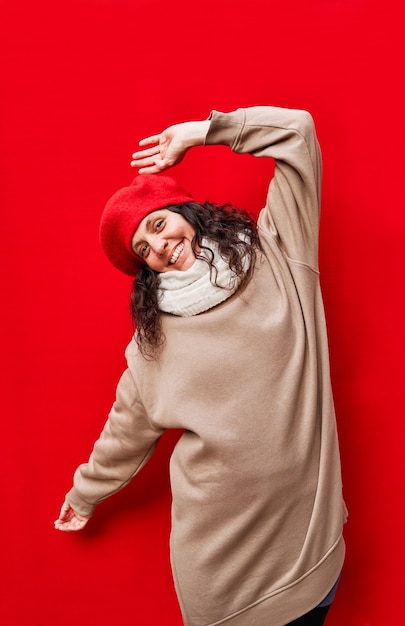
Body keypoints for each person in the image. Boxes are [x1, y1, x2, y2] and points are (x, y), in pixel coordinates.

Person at [55, 106, 347, 626]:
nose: (161, 247)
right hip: (217, 553)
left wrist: (202, 132)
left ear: (186, 213)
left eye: (159, 224)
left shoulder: (280, 252)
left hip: (304, 535)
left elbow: (298, 132)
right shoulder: (154, 342)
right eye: (143, 248)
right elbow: (126, 430)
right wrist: (84, 493)